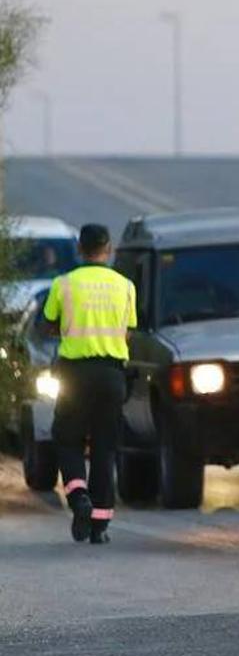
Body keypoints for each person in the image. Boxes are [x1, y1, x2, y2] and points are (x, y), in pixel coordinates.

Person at [43, 224, 137, 544]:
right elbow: (128, 332)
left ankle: (78, 496)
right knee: (105, 447)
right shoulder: (125, 286)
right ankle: (100, 525)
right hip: (112, 376)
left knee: (67, 438)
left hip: (74, 375)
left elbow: (49, 326)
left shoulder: (63, 284)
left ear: (80, 250)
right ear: (107, 249)